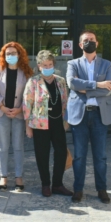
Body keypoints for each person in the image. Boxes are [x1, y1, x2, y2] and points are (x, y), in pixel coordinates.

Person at [66, 30, 111, 204]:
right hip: (79, 115)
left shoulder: (106, 64)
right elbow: (72, 83)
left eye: (92, 40)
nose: (89, 42)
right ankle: (78, 189)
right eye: (86, 40)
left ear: (97, 43)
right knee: (79, 155)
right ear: (80, 45)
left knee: (100, 156)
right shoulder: (73, 64)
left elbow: (109, 88)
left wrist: (85, 87)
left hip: (99, 115)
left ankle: (101, 189)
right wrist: (97, 84)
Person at [23, 50, 73, 197]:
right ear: (39, 66)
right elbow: (27, 105)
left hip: (58, 122)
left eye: (50, 64)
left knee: (61, 153)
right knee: (42, 154)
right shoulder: (33, 82)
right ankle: (45, 184)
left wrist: (66, 121)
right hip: (40, 124)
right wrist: (28, 126)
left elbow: (65, 101)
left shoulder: (60, 81)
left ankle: (57, 184)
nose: (48, 67)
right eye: (45, 65)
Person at [0, 42, 33, 191]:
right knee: (3, 146)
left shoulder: (25, 71)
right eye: (8, 54)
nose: (11, 56)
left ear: (19, 55)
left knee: (18, 146)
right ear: (4, 56)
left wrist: (20, 109)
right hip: (2, 112)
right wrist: (2, 106)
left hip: (19, 114)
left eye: (14, 53)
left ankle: (19, 176)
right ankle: (3, 176)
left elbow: (29, 95)